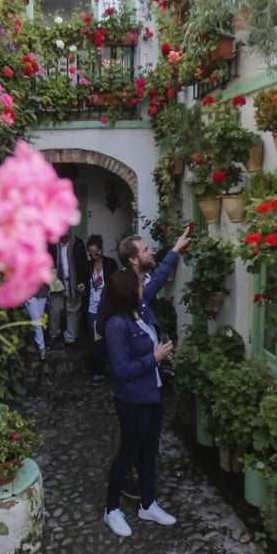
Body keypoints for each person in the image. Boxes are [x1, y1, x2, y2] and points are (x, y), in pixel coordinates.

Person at [97, 225, 192, 500]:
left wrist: (175, 250)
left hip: (150, 380)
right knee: (128, 436)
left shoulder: (143, 287)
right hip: (131, 376)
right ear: (134, 260)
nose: (152, 252)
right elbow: (106, 325)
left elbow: (159, 279)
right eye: (147, 250)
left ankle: (144, 485)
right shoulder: (119, 291)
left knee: (146, 439)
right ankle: (123, 478)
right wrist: (130, 342)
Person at [102, 269, 176, 537]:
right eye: (139, 284)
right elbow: (121, 369)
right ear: (127, 291)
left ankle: (148, 503)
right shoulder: (116, 325)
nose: (143, 286)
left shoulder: (140, 315)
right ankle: (111, 509)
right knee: (128, 455)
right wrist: (154, 358)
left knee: (149, 453)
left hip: (153, 395)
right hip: (133, 400)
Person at [85, 234, 119, 383]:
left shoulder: (111, 264)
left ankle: (113, 368)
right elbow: (83, 282)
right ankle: (98, 371)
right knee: (96, 340)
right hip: (92, 308)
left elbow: (117, 284)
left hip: (108, 306)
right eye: (91, 254)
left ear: (101, 250)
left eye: (96, 253)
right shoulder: (87, 265)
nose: (93, 256)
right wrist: (82, 287)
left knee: (112, 338)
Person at [47, 230, 90, 346]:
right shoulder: (52, 244)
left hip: (73, 281)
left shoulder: (77, 243)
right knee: (54, 309)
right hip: (56, 280)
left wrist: (81, 281)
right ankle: (53, 334)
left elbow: (83, 264)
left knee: (72, 310)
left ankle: (71, 337)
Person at [25, 280, 49, 360]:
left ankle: (38, 344)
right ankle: (41, 347)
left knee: (39, 321)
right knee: (36, 321)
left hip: (43, 293)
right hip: (29, 294)